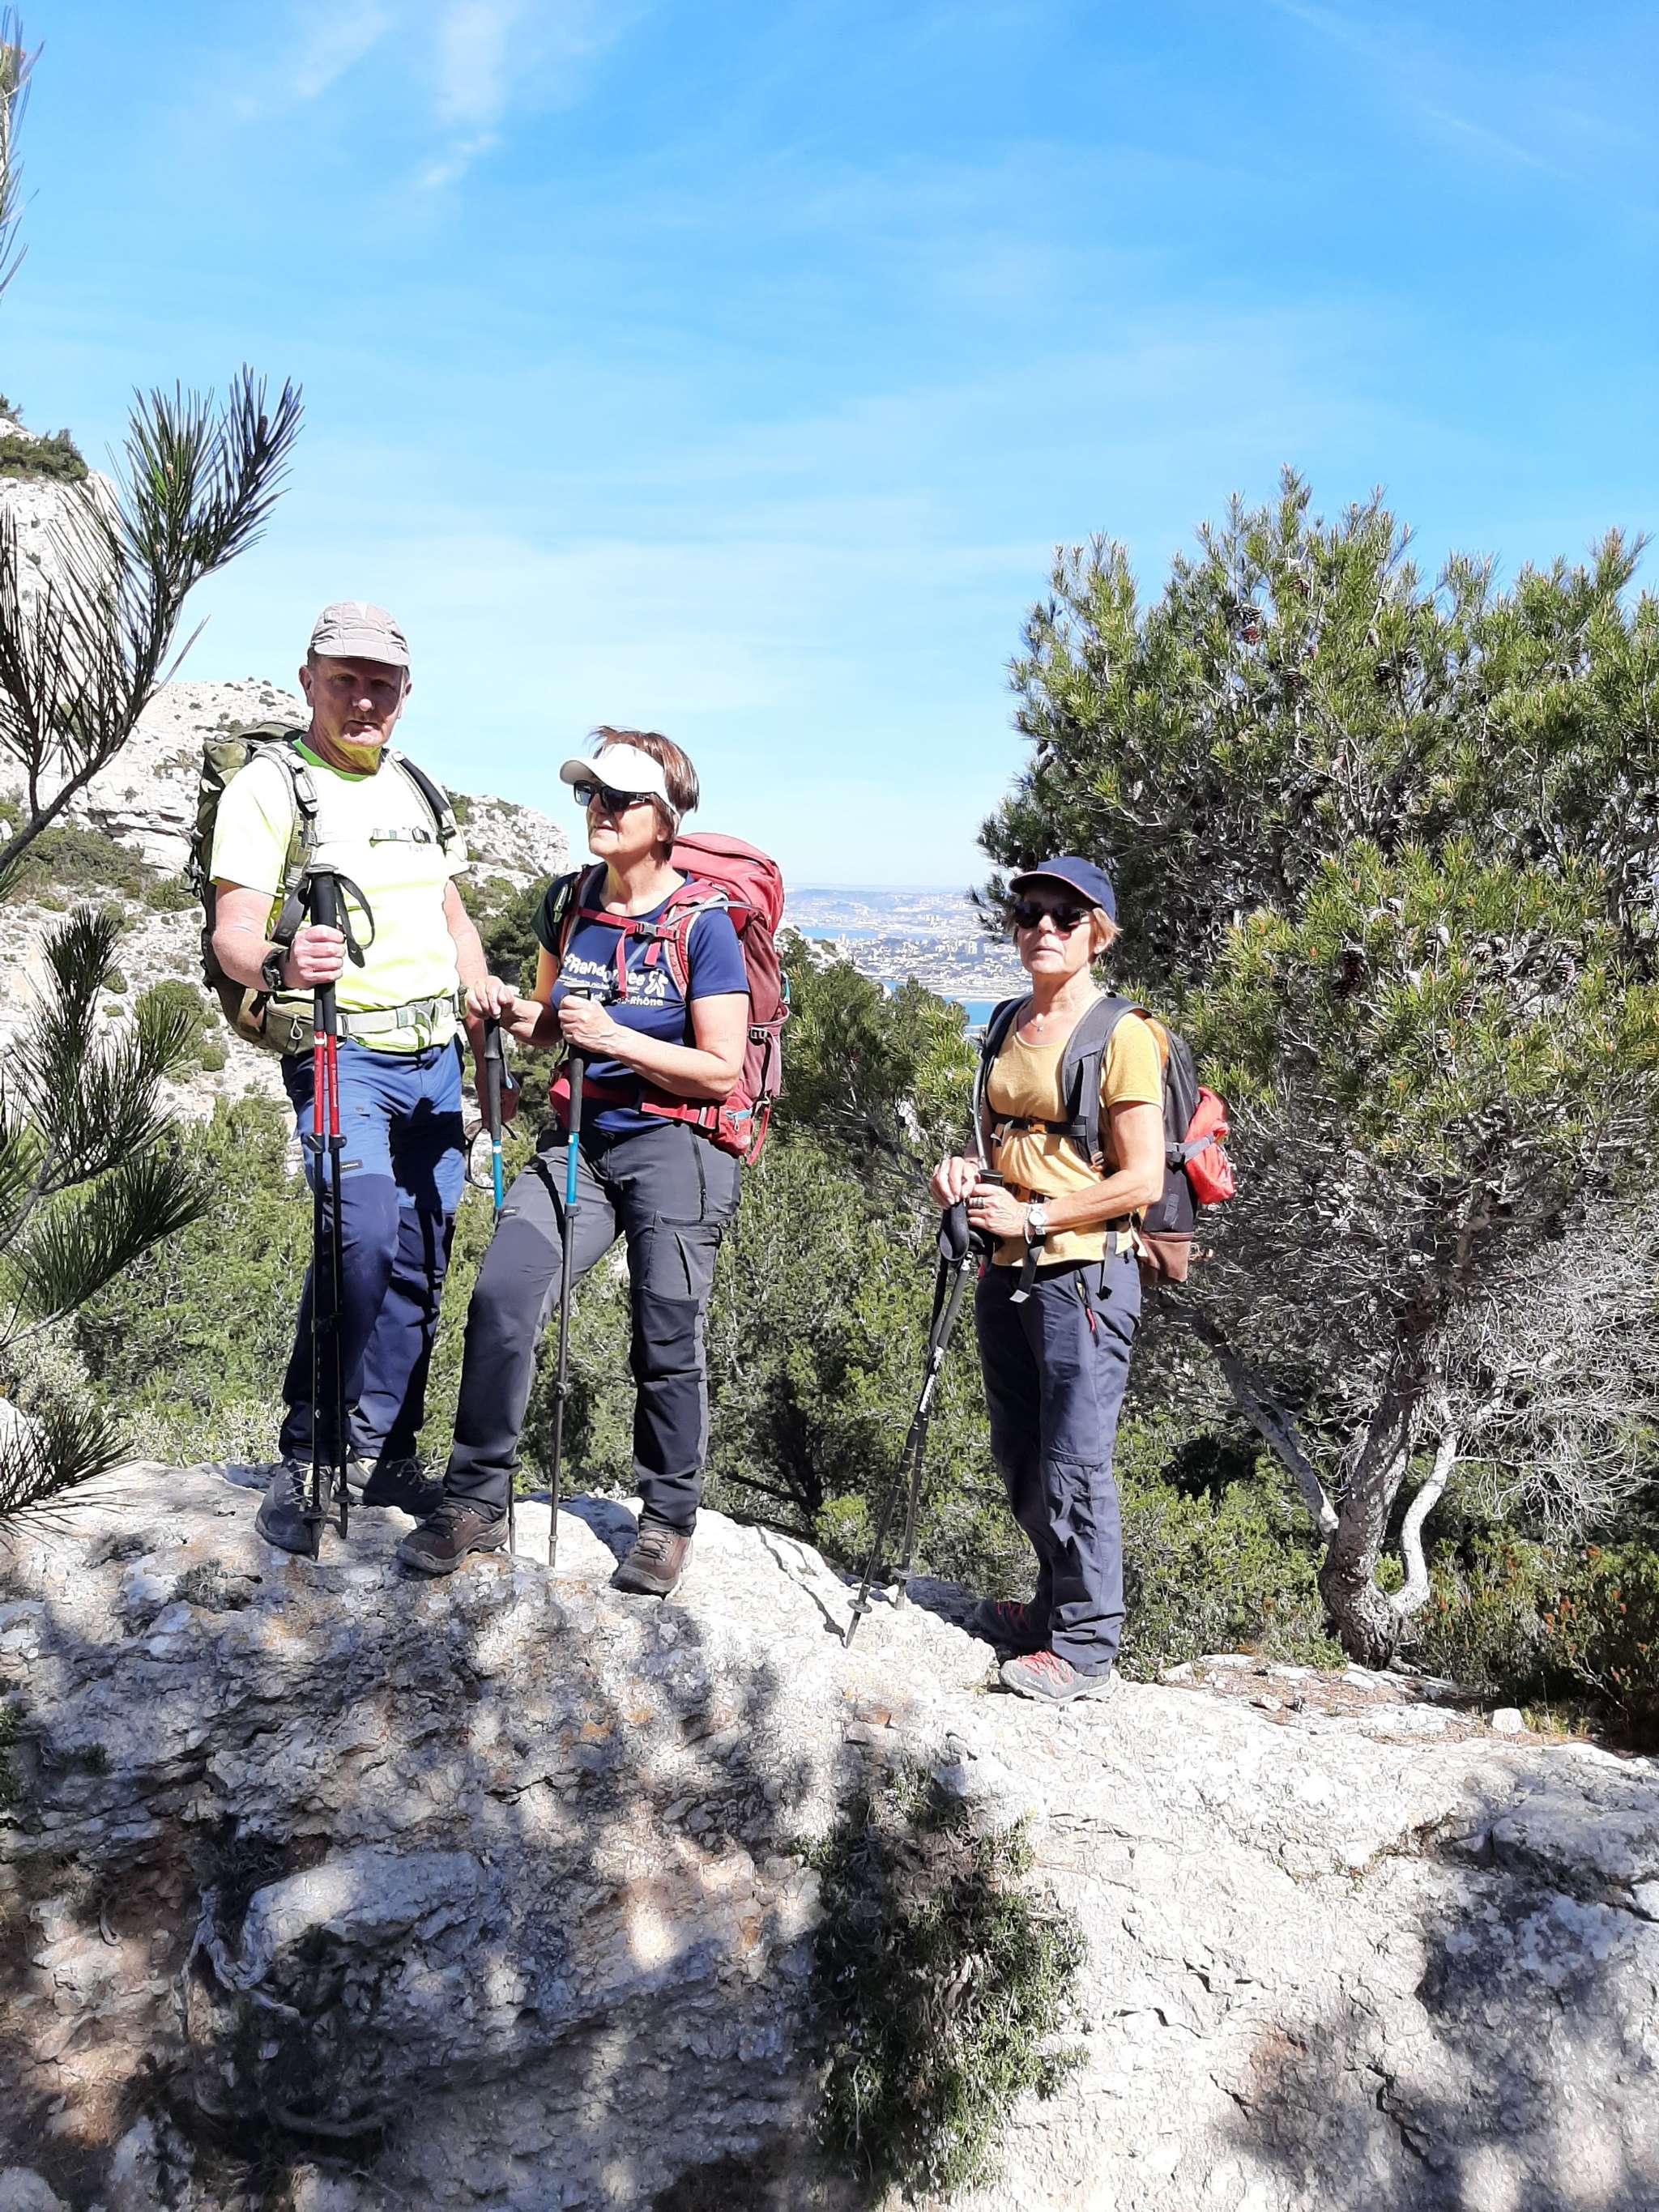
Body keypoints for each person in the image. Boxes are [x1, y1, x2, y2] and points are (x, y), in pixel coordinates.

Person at [398, 729, 749, 1594]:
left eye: (620, 798)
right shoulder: (571, 902)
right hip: (580, 1140)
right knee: (504, 1294)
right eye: (591, 793)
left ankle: (666, 1521)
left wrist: (617, 1036)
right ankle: (477, 1498)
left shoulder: (704, 925)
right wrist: (506, 1008)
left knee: (665, 1333)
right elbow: (551, 1022)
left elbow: (721, 1068)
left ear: (663, 818)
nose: (599, 809)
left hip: (677, 1143)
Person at [211, 602, 489, 1552]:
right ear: (309, 681)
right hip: (342, 1055)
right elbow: (233, 932)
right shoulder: (271, 786)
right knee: (359, 1237)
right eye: (345, 680)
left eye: (381, 684)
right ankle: (308, 1454)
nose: (363, 699)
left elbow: (450, 914)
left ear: (405, 693)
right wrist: (282, 962)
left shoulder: (416, 786)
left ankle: (386, 1450)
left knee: (421, 1257)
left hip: (436, 1060)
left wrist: (479, 985)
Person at [930, 857, 1166, 1705]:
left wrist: (1035, 1218)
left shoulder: (1121, 1035)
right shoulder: (1005, 1021)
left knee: (1074, 1456)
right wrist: (963, 1172)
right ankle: (1050, 1607)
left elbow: (1140, 1179)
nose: (1042, 927)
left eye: (1065, 917)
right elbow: (1003, 1140)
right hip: (1006, 1269)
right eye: (1028, 911)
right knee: (1021, 1452)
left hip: (1083, 1276)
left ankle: (1087, 1644)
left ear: (1096, 934)